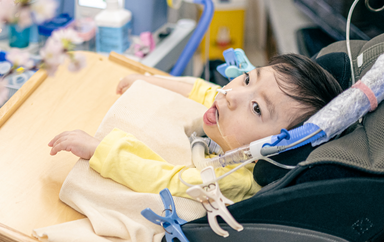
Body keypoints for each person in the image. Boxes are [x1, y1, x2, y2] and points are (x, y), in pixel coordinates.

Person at [48, 54, 342, 202]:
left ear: (278, 147)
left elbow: (166, 179)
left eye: (256, 108)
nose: (231, 94)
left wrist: (100, 149)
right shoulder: (229, 107)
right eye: (249, 79)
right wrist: (149, 81)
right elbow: (205, 90)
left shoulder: (234, 180)